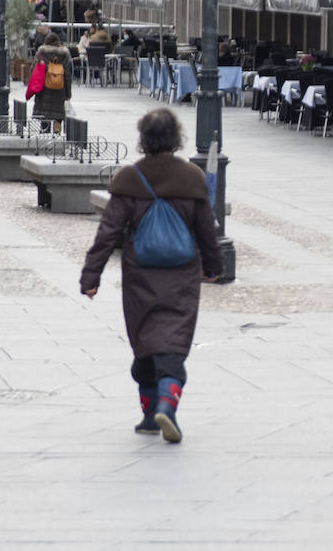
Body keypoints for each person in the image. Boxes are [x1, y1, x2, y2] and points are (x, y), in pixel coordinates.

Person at [80, 109, 223, 441]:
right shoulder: (191, 178)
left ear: (143, 139)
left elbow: (108, 233)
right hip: (181, 276)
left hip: (140, 276)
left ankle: (148, 414)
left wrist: (91, 276)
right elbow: (207, 231)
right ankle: (167, 406)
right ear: (176, 138)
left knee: (144, 340)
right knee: (173, 341)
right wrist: (214, 267)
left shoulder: (131, 178)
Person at [31, 32, 73, 133]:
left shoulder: (41, 52)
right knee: (58, 112)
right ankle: (57, 133)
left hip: (44, 87)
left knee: (44, 113)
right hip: (60, 87)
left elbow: (34, 70)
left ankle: (45, 132)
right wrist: (68, 93)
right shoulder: (65, 54)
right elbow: (68, 75)